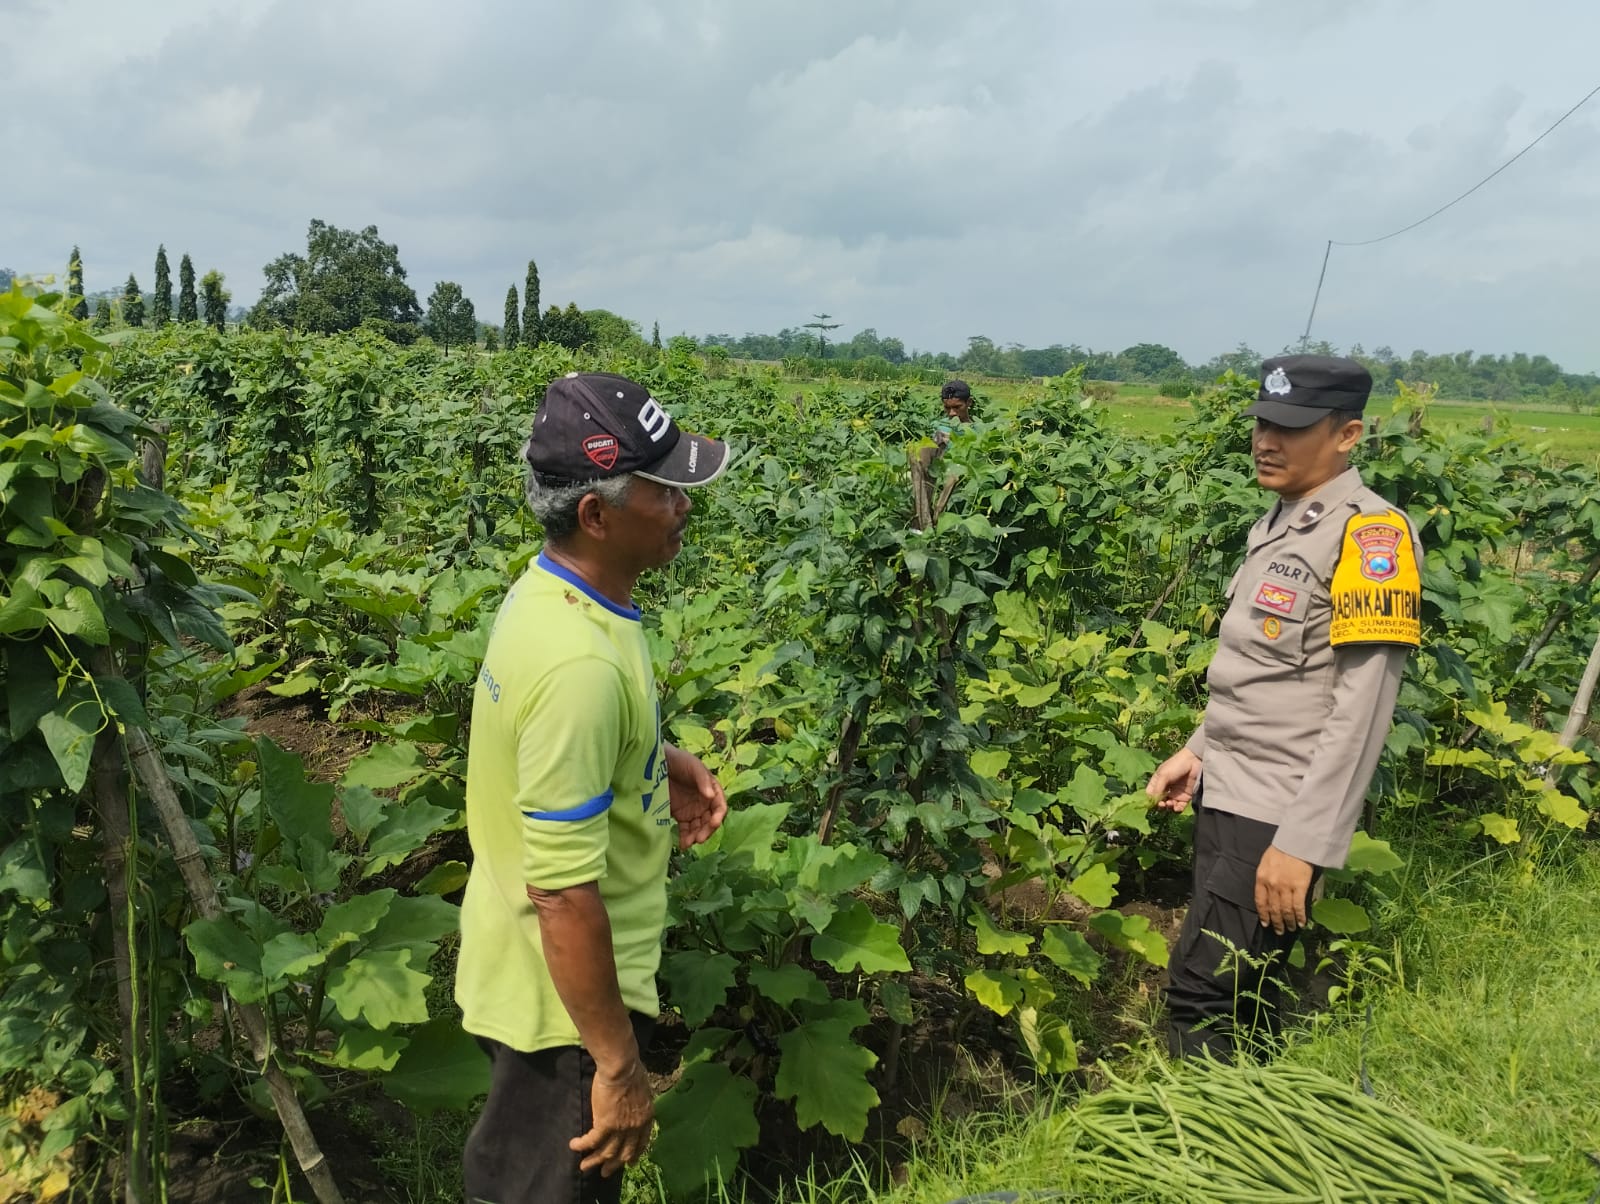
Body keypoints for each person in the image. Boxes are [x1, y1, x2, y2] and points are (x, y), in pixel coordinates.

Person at [456, 371, 731, 1204]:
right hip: (564, 1018)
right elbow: (563, 894)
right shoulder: (577, 666)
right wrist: (615, 1064)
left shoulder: (554, 594)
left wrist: (652, 755)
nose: (683, 505)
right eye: (665, 489)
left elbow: (548, 741)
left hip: (539, 985)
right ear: (596, 515)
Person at [1145, 355, 1421, 1061]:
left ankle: (1196, 1127)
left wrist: (1303, 843)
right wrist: (1196, 751)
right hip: (1228, 788)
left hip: (1279, 806)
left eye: (1291, 428)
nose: (1266, 441)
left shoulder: (1371, 537)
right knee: (1247, 986)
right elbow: (1261, 673)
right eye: (1262, 423)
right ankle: (1261, 1110)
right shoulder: (1282, 521)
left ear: (1348, 435)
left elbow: (1363, 712)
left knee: (1202, 992)